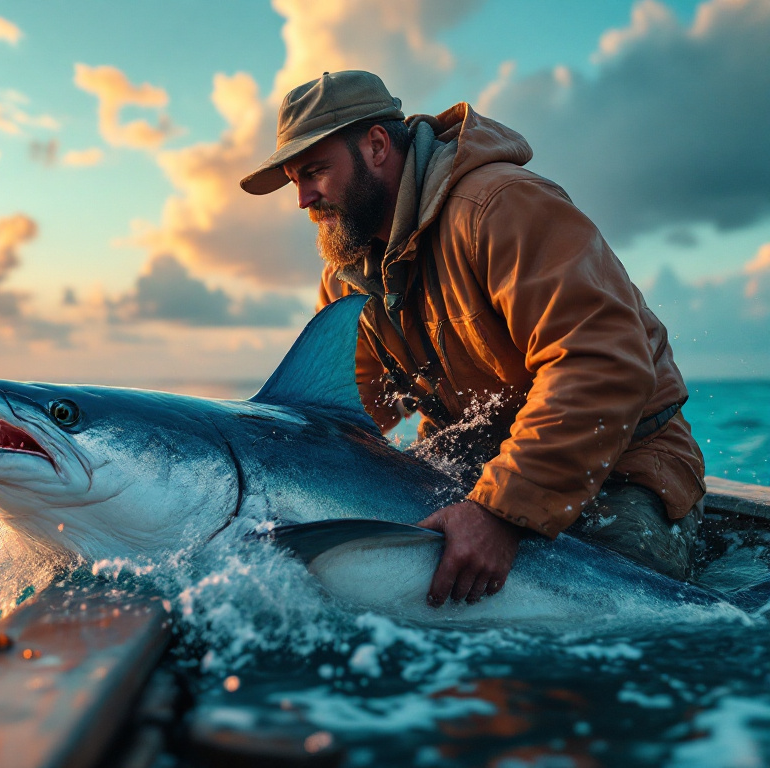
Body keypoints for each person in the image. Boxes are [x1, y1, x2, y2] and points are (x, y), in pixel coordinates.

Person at [239, 70, 705, 607]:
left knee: (589, 623)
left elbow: (601, 362)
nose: (301, 199)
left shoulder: (503, 206)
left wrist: (498, 514)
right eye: (295, 180)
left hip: (623, 468)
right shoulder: (345, 274)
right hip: (472, 468)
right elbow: (345, 412)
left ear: (376, 146)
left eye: (315, 171)